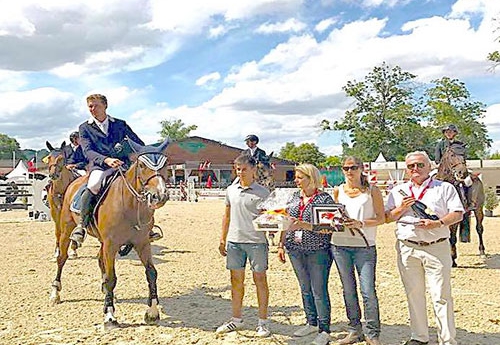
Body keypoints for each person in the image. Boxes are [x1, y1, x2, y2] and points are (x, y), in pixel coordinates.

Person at [385, 151, 464, 345]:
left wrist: (437, 224)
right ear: (406, 169)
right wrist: (401, 208)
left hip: (436, 247)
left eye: (420, 165)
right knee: (413, 294)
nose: (415, 169)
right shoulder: (398, 191)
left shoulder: (444, 188)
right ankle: (419, 337)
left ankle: (447, 339)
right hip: (407, 247)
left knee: (441, 295)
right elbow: (387, 217)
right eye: (411, 166)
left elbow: (458, 214)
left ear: (430, 167)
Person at [69, 94, 161, 247]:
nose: (92, 109)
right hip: (100, 166)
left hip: (123, 165)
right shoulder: (84, 128)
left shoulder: (120, 124)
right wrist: (106, 159)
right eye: (90, 106)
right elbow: (87, 151)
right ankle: (82, 226)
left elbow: (138, 142)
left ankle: (147, 226)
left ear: (105, 106)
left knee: (140, 186)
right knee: (93, 185)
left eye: (96, 105)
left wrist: (133, 152)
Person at [277, 163, 334, 345]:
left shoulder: (324, 199)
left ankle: (324, 329)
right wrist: (280, 243)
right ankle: (311, 322)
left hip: (318, 249)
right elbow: (286, 220)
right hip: (295, 248)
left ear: (311, 178)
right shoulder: (294, 197)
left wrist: (305, 226)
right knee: (305, 288)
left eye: (300, 177)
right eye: (296, 177)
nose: (296, 180)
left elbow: (330, 227)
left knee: (319, 289)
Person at [331, 156, 385, 345]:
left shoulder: (372, 191)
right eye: (345, 168)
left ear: (362, 168)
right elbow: (332, 215)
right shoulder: (337, 190)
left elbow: (381, 218)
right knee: (348, 290)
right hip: (339, 244)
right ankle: (354, 329)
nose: (349, 171)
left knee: (368, 290)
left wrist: (360, 223)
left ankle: (372, 332)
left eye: (353, 167)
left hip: (364, 246)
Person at [216, 154, 271, 338]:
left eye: (244, 169)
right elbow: (227, 215)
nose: (240, 172)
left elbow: (270, 218)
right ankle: (236, 318)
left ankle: (263, 322)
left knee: (260, 281)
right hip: (234, 241)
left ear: (253, 169)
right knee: (236, 281)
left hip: (257, 242)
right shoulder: (231, 190)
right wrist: (223, 239)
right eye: (237, 169)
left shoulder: (263, 193)